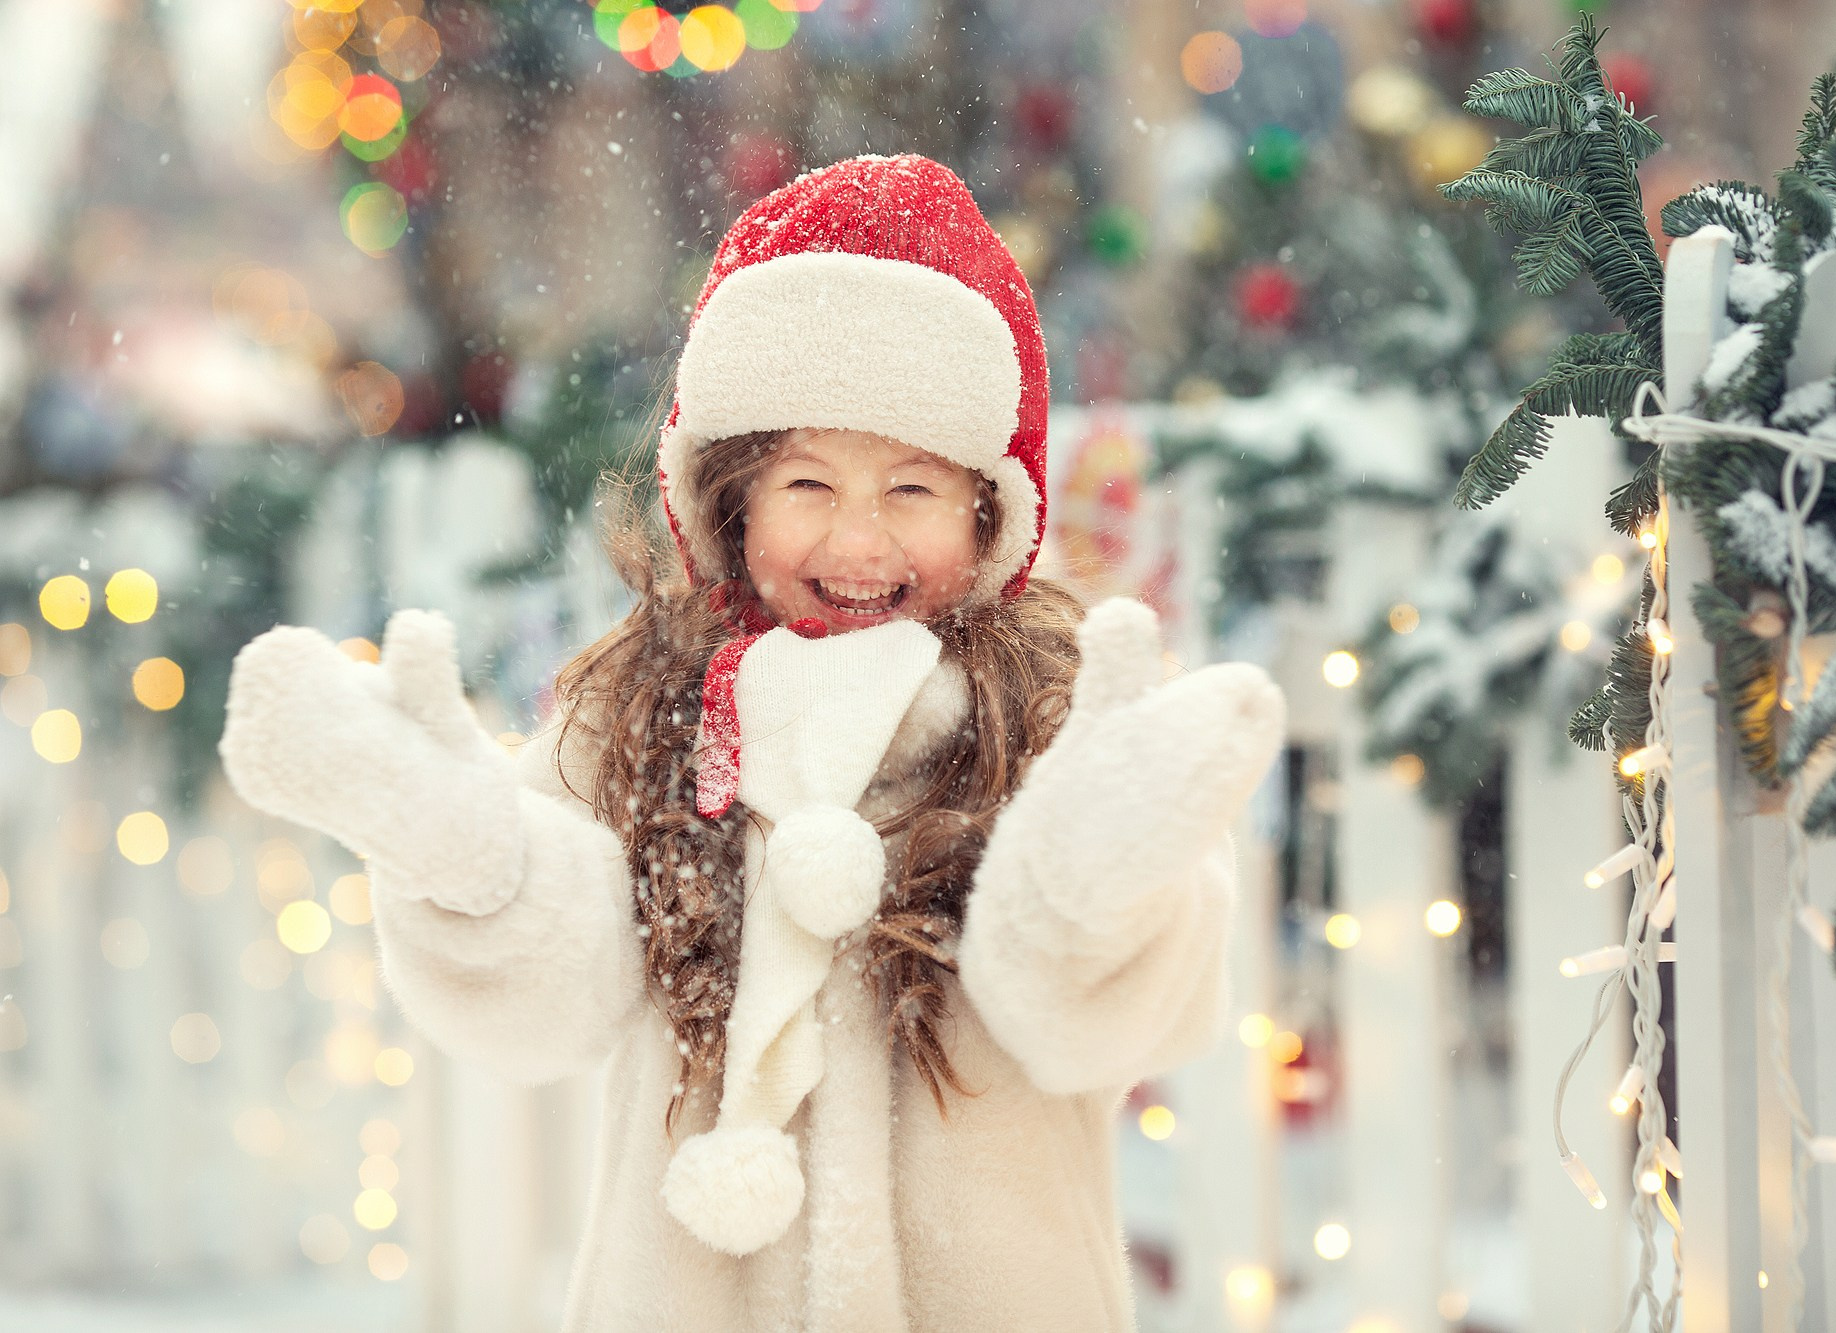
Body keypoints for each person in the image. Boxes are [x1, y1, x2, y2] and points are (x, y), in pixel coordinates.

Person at [219, 154, 1284, 1333]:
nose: (858, 541)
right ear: (732, 496)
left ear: (988, 511)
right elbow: (554, 989)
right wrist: (463, 852)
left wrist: (1095, 880)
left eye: (912, 491)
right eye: (808, 484)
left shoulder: (1048, 716)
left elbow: (1088, 1018)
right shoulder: (642, 711)